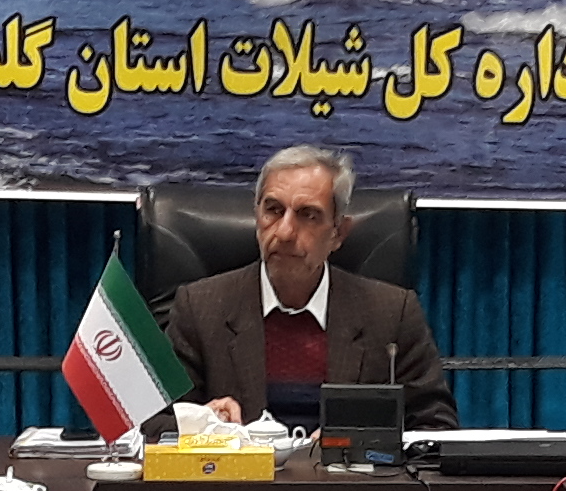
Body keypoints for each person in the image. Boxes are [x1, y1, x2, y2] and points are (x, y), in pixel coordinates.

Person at [164, 145, 457, 434]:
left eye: (308, 215)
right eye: (273, 210)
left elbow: (436, 427)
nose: (284, 232)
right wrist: (202, 423)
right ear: (256, 216)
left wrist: (360, 443)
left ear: (338, 233)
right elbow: (155, 424)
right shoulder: (200, 308)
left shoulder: (391, 314)